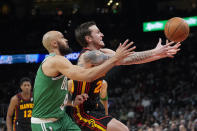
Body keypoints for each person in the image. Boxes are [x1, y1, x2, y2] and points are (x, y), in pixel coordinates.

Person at [67, 21, 181, 131]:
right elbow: (126, 59)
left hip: (95, 107)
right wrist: (156, 52)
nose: (102, 34)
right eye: (98, 32)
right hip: (81, 112)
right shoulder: (89, 56)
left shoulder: (104, 52)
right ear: (88, 38)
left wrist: (160, 54)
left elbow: (132, 59)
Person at [31, 30, 135, 131]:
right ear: (54, 43)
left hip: (62, 119)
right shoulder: (54, 60)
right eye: (62, 38)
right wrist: (114, 59)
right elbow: (87, 75)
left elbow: (54, 95)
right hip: (45, 122)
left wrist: (72, 102)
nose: (66, 40)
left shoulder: (61, 62)